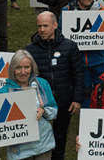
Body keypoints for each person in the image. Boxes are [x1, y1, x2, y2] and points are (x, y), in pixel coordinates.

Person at [25, 12, 84, 160]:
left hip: (64, 101)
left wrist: (77, 99)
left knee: (60, 136)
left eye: (45, 26)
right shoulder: (30, 50)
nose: (42, 29)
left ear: (55, 25)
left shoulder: (70, 46)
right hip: (40, 104)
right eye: (39, 26)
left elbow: (78, 74)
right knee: (39, 136)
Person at [0, 50, 58, 160]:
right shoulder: (4, 92)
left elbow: (54, 111)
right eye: (18, 68)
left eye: (26, 67)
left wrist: (44, 111)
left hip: (43, 144)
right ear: (12, 69)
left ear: (32, 68)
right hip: (19, 150)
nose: (23, 72)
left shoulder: (42, 84)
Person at [58, 0, 104, 108]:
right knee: (84, 92)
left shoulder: (102, 10)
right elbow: (59, 33)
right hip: (78, 61)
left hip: (99, 59)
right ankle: (86, 120)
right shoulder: (67, 10)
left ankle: (103, 116)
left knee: (102, 91)